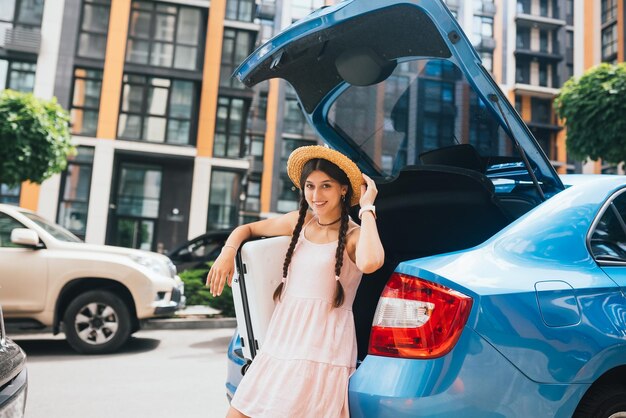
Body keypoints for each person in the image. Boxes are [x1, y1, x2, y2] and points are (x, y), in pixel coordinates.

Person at [208, 145, 385, 418]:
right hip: (282, 341)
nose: (316, 195)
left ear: (342, 189)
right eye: (310, 186)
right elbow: (248, 228)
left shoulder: (353, 235)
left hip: (322, 348)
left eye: (326, 186)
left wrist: (367, 207)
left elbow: (372, 262)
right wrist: (228, 252)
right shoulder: (299, 223)